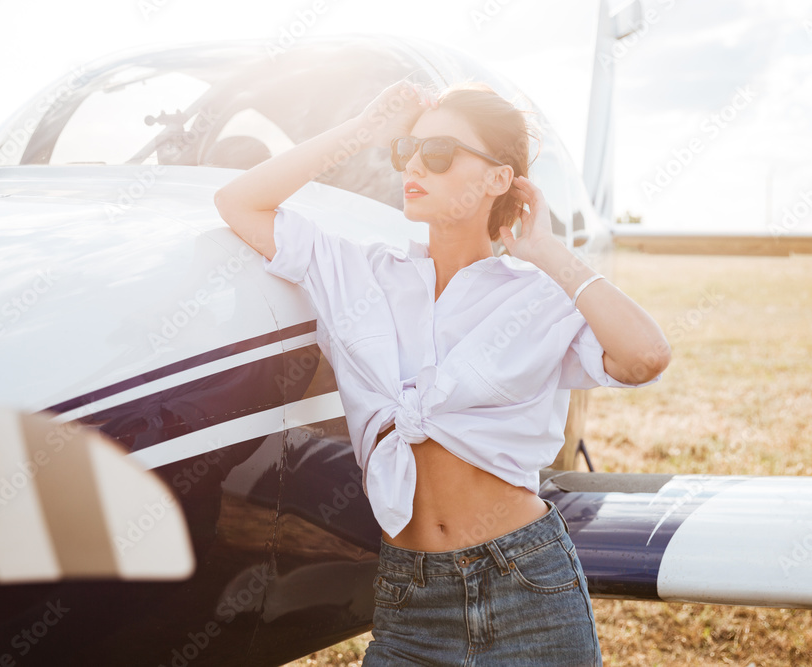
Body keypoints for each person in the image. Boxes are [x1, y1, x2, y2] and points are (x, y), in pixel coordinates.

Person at [214, 78, 670, 666]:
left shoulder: (540, 294)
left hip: (528, 585)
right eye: (409, 150)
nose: (413, 166)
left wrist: (547, 252)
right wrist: (362, 131)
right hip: (411, 598)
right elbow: (238, 202)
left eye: (439, 153)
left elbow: (645, 357)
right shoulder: (359, 273)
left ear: (498, 179)